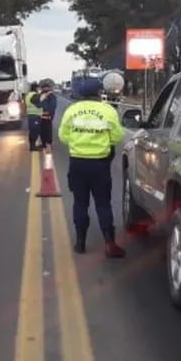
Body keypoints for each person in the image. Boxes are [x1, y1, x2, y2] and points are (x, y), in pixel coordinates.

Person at [57, 76, 126, 258]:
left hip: (78, 163)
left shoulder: (72, 110)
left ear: (80, 93)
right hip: (100, 165)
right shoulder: (107, 110)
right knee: (103, 204)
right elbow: (117, 136)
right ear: (99, 92)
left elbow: (63, 136)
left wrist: (79, 142)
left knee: (80, 203)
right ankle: (110, 244)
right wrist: (102, 142)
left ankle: (80, 242)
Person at [33, 78, 58, 150]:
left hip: (47, 116)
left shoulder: (51, 96)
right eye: (44, 87)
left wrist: (48, 111)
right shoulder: (42, 95)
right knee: (42, 130)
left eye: (46, 87)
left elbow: (52, 106)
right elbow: (37, 104)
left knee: (47, 130)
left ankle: (48, 143)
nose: (45, 88)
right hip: (41, 116)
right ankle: (44, 143)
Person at [24, 81, 41, 151]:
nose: (38, 89)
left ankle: (32, 146)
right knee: (35, 132)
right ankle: (33, 147)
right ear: (35, 88)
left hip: (30, 115)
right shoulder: (35, 95)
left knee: (32, 131)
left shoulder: (28, 94)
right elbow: (39, 104)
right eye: (38, 87)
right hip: (35, 115)